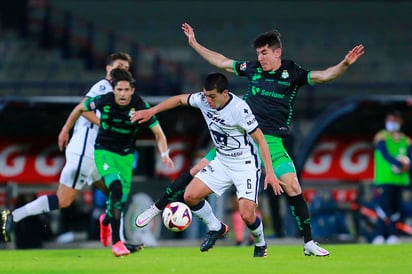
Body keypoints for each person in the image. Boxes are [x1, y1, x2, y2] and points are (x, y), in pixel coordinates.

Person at [132, 72, 282, 257]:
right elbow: (179, 100)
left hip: (245, 164)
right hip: (222, 160)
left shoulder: (239, 109)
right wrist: (150, 111)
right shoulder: (203, 99)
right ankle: (215, 227)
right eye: (205, 95)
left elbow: (261, 140)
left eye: (212, 96)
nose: (208, 100)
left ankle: (260, 243)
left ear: (225, 93)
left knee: (247, 215)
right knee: (190, 196)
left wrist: (270, 172)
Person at [0, 52, 132, 246]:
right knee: (64, 200)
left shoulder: (119, 93)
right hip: (85, 152)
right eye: (119, 66)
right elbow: (83, 108)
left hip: (97, 154)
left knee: (116, 193)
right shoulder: (103, 87)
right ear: (108, 69)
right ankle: (13, 216)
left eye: (126, 68)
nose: (123, 71)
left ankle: (119, 241)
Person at [58, 68, 174, 256]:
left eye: (125, 90)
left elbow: (158, 132)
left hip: (126, 157)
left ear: (132, 91)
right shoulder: (104, 100)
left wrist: (164, 154)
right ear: (113, 90)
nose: (121, 94)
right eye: (118, 90)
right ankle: (117, 244)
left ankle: (105, 222)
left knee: (119, 201)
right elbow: (80, 108)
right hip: (104, 152)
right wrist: (65, 129)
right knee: (116, 188)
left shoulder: (140, 105)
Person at [371, 110, 412, 245]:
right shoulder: (381, 137)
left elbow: (410, 156)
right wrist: (398, 163)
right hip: (384, 179)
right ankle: (380, 234)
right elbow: (385, 154)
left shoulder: (405, 140)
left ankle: (392, 235)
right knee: (383, 208)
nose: (391, 124)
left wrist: (408, 165)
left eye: (394, 121)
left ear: (400, 122)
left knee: (395, 209)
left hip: (399, 180)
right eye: (389, 121)